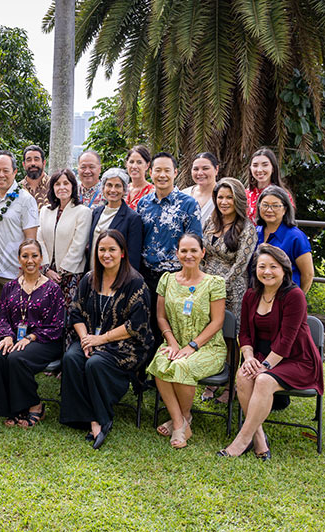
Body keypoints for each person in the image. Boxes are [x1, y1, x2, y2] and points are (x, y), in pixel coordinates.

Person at [217, 245, 324, 459]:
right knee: (243, 375)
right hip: (260, 356)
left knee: (264, 380)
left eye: (273, 267)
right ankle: (259, 438)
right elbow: (245, 333)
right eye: (262, 266)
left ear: (284, 270)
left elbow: (287, 340)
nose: (267, 271)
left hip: (297, 359)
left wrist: (264, 367)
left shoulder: (294, 296)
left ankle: (241, 440)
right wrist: (248, 359)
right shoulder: (250, 295)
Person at [60, 230, 153, 449]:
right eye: (102, 249)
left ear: (122, 253)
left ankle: (100, 418)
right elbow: (75, 312)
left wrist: (99, 340)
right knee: (72, 357)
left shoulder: (135, 283)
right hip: (91, 336)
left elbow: (135, 326)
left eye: (112, 249)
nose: (106, 254)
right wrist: (85, 339)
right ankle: (80, 416)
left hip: (126, 344)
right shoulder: (90, 278)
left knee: (95, 363)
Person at [147, 233, 227, 449]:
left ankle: (181, 421)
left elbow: (218, 322)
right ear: (177, 253)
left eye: (193, 250)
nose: (188, 255)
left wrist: (192, 347)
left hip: (207, 346)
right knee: (161, 363)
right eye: (184, 250)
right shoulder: (167, 280)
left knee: (182, 367)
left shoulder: (214, 283)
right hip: (175, 341)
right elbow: (161, 317)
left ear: (203, 253)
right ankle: (181, 421)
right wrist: (172, 343)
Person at [0, 239, 65, 428]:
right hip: (15, 340)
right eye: (25, 256)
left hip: (46, 341)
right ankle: (11, 409)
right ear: (19, 259)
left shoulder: (53, 290)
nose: (29, 260)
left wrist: (31, 337)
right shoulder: (10, 287)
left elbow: (57, 325)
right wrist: (7, 336)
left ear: (41, 259)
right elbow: (1, 318)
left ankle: (35, 405)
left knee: (16, 358)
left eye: (34, 256)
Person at [200, 178, 257, 403]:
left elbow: (240, 265)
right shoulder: (210, 223)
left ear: (238, 200)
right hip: (205, 287)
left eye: (229, 197)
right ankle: (211, 381)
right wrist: (202, 281)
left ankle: (231, 385)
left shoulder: (247, 228)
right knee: (209, 333)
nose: (224, 202)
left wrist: (218, 287)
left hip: (233, 289)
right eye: (220, 197)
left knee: (231, 337)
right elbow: (202, 254)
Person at [137, 152, 202, 347]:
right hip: (147, 275)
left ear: (175, 172)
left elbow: (195, 243)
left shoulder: (188, 204)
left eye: (167, 170)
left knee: (173, 325)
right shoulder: (143, 204)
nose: (162, 175)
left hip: (176, 276)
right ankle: (147, 371)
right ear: (150, 172)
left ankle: (173, 368)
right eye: (158, 170)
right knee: (148, 324)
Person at [0, 150, 39, 323]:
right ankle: (1, 349)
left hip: (14, 273)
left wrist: (25, 271)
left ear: (15, 172)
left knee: (18, 319)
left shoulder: (26, 200)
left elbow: (31, 239)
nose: (0, 175)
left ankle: (17, 350)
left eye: (5, 170)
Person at [36, 168, 91, 305]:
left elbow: (78, 245)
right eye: (57, 184)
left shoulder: (83, 212)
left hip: (71, 275)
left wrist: (60, 273)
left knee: (68, 317)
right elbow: (39, 239)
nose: (62, 187)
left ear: (73, 186)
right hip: (46, 274)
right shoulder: (45, 211)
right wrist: (47, 269)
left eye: (66, 183)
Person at [255, 185, 314, 293]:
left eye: (275, 206)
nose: (269, 210)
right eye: (265, 205)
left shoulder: (296, 237)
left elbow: (308, 274)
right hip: (259, 296)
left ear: (285, 209)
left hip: (285, 297)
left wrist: (297, 298)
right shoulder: (255, 232)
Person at [86, 168, 142, 271]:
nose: (113, 190)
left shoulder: (132, 218)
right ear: (103, 188)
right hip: (93, 273)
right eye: (109, 185)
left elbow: (133, 257)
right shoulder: (96, 212)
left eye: (118, 186)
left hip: (117, 277)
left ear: (124, 190)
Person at [246, 148, 292, 224]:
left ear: (273, 168)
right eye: (255, 165)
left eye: (265, 165)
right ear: (250, 168)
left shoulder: (283, 195)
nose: (259, 170)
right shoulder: (244, 195)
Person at [181, 152, 219, 224]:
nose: (200, 173)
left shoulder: (224, 196)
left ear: (216, 169)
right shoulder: (183, 195)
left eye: (205, 168)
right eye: (196, 169)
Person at [124, 145, 153, 210]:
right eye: (131, 162)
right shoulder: (122, 189)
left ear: (147, 165)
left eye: (139, 162)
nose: (134, 166)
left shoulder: (153, 193)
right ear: (126, 164)